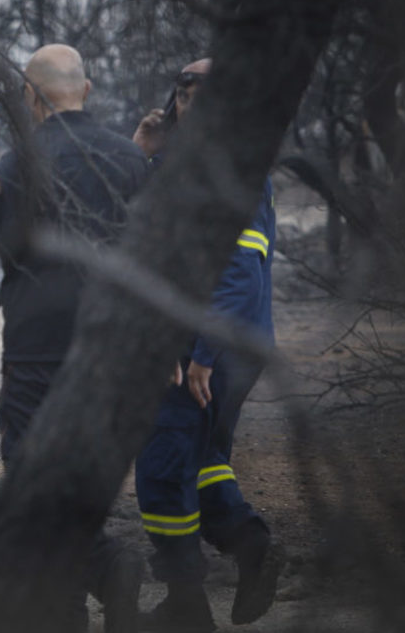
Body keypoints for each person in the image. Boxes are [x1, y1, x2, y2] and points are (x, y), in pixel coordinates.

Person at [0, 44, 149, 632]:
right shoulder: (132, 160)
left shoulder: (22, 162)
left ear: (30, 97)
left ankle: (104, 566)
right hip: (114, 351)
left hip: (42, 352)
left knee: (31, 479)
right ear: (86, 90)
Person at [130, 58, 281, 632]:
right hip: (208, 345)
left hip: (210, 348)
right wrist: (140, 150)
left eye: (203, 95)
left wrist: (202, 356)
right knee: (203, 459)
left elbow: (239, 272)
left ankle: (189, 605)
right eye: (183, 93)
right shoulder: (181, 165)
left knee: (163, 469)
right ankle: (249, 551)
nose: (189, 103)